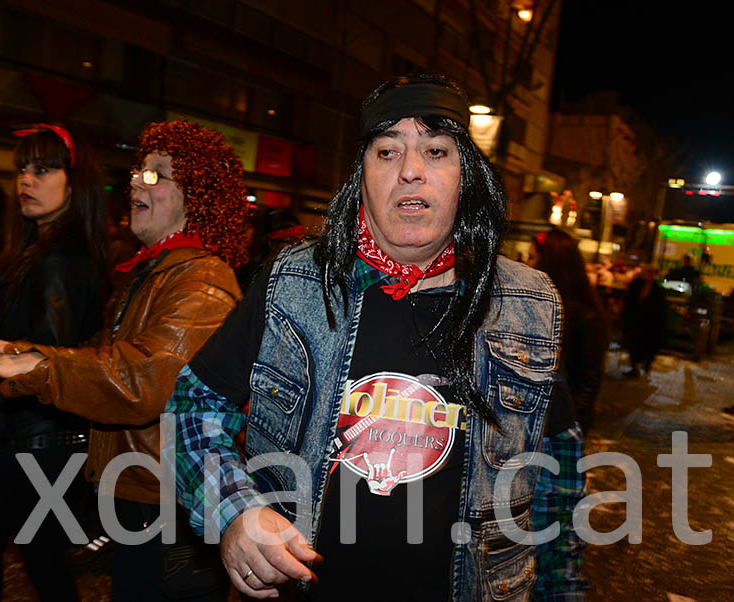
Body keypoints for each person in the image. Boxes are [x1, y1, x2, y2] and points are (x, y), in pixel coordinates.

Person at [167, 74, 587, 601]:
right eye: (387, 151)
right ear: (361, 177)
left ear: (467, 178)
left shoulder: (528, 304)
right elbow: (191, 406)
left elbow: (556, 482)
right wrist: (233, 511)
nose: (411, 171)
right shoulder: (292, 283)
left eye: (436, 150)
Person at [0, 118, 250, 602]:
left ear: (197, 197)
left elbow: (143, 380)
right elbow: (102, 354)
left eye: (157, 174)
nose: (137, 183)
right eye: (139, 171)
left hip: (169, 509)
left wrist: (37, 369)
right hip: (140, 496)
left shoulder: (200, 282)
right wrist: (24, 353)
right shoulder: (157, 273)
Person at [0, 125, 108, 602]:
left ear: (75, 181)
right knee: (34, 558)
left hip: (36, 445)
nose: (26, 181)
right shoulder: (46, 250)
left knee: (0, 553)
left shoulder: (58, 259)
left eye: (43, 169)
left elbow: (46, 361)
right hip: (37, 442)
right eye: (22, 170)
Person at [530, 229, 608, 433]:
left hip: (558, 428)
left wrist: (571, 425)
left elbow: (589, 381)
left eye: (532, 257)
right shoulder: (535, 307)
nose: (527, 264)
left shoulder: (584, 316)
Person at [622, 263, 667, 376]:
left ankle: (646, 362)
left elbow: (660, 309)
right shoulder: (637, 285)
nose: (650, 275)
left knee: (646, 346)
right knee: (633, 345)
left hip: (649, 324)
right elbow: (629, 301)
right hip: (636, 321)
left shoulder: (657, 290)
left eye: (652, 273)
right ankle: (634, 367)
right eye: (648, 273)